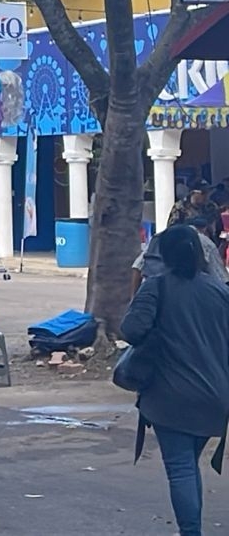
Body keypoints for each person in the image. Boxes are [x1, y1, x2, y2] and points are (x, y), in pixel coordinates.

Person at [122, 224, 229, 536]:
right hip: (215, 397)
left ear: (164, 255)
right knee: (188, 463)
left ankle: (191, 532)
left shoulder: (157, 287)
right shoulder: (220, 291)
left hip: (171, 396)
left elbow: (131, 330)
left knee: (180, 468)